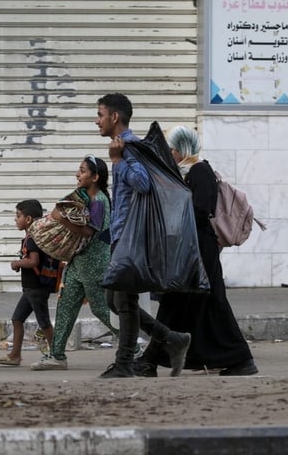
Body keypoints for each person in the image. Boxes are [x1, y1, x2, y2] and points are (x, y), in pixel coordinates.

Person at [133, 126, 258, 377]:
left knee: (187, 303)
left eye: (171, 149)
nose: (169, 154)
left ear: (182, 150)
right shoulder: (183, 173)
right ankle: (236, 359)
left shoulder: (200, 170)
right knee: (193, 306)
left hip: (199, 249)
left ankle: (150, 361)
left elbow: (203, 210)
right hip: (191, 248)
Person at [96, 92, 191, 379]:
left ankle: (125, 362)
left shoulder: (131, 148)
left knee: (124, 302)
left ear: (114, 117)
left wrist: (117, 160)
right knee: (115, 300)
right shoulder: (123, 147)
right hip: (121, 236)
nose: (96, 121)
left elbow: (143, 183)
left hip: (130, 238)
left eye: (100, 115)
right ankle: (172, 339)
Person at [31, 155, 118, 370]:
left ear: (95, 177)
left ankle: (133, 347)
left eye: (82, 171)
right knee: (66, 306)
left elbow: (89, 231)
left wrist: (62, 220)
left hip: (94, 262)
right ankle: (57, 356)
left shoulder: (99, 201)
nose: (77, 174)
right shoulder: (85, 197)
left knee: (100, 308)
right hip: (78, 260)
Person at [0, 199, 55, 366]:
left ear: (28, 219)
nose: (16, 219)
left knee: (44, 323)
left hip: (36, 288)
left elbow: (34, 261)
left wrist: (17, 263)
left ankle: (57, 355)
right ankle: (15, 355)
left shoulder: (33, 238)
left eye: (18, 215)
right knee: (17, 319)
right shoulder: (32, 236)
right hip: (31, 288)